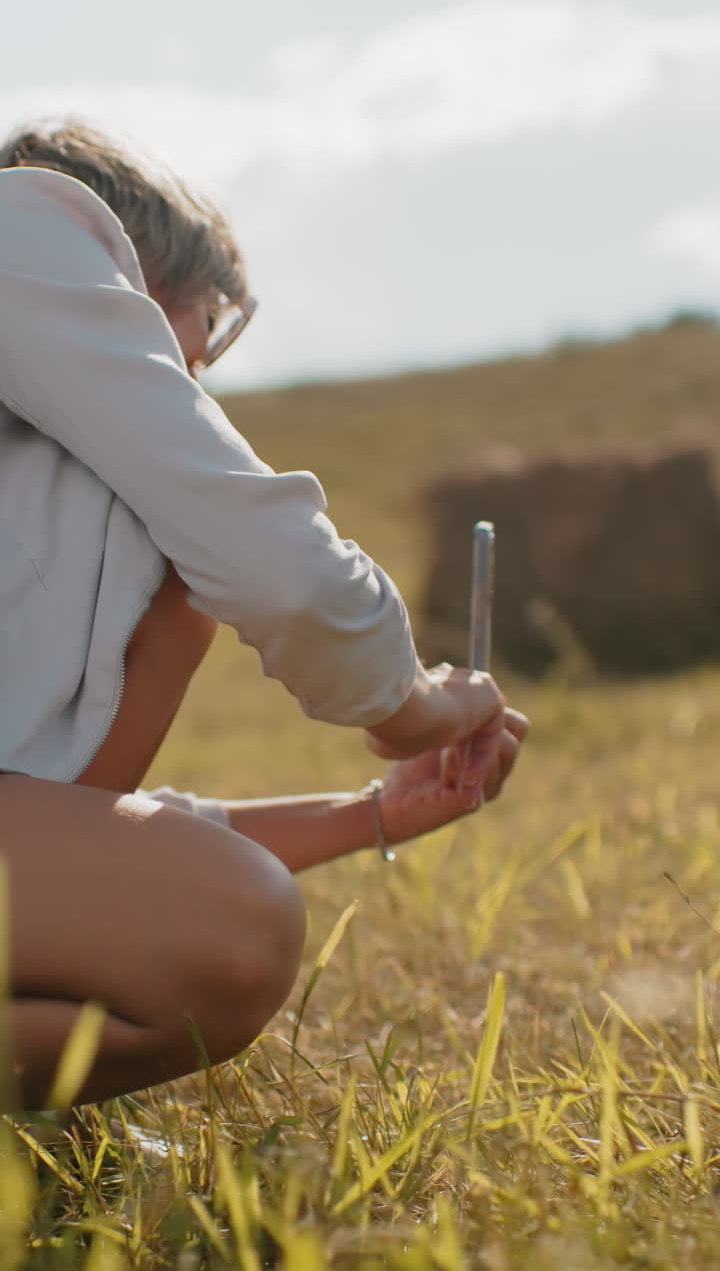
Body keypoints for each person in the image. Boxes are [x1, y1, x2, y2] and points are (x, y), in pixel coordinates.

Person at [0, 120, 528, 1111]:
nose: (200, 380)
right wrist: (411, 704)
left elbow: (57, 823)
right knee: (232, 926)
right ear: (154, 269)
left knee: (211, 905)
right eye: (210, 331)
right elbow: (283, 570)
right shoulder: (23, 227)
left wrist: (371, 815)